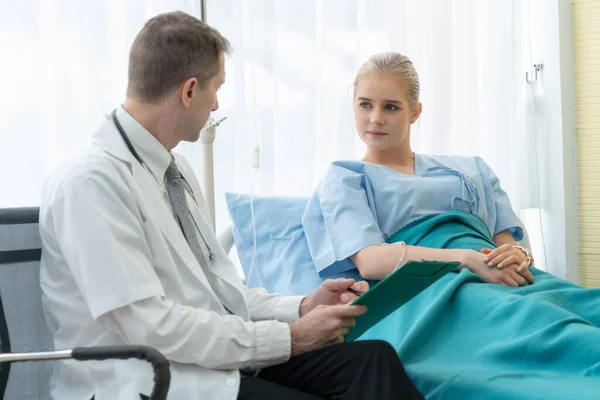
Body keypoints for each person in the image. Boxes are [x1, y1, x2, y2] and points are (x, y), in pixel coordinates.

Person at [38, 14, 424, 400]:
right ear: (190, 91)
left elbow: (218, 291)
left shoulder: (174, 170)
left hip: (206, 363)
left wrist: (302, 307)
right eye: (217, 88)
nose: (217, 103)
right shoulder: (90, 183)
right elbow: (149, 326)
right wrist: (289, 338)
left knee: (372, 361)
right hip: (143, 383)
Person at [302, 52, 600, 399]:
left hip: (499, 275)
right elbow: (370, 261)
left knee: (580, 307)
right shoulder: (346, 178)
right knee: (546, 329)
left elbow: (512, 244)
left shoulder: (470, 170)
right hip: (428, 294)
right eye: (365, 105)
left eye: (391, 107)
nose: (375, 119)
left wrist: (517, 257)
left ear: (415, 112)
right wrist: (465, 259)